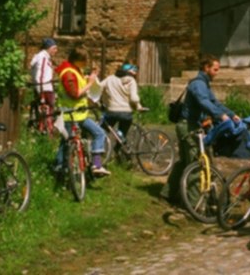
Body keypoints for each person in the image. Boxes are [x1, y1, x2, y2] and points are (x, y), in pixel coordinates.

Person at [161, 54, 239, 205]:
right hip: (187, 126)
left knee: (185, 162)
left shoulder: (204, 84)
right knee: (196, 164)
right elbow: (203, 102)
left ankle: (167, 193)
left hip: (192, 125)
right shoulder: (198, 84)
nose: (217, 72)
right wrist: (220, 116)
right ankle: (195, 204)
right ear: (206, 68)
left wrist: (231, 114)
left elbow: (214, 102)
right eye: (215, 69)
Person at [56, 48, 110, 176]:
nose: (86, 63)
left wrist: (89, 78)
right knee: (66, 145)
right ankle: (61, 169)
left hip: (81, 114)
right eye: (84, 61)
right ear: (77, 60)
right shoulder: (68, 73)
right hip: (70, 115)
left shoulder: (75, 69)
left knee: (99, 133)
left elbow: (78, 84)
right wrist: (90, 83)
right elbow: (75, 94)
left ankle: (96, 165)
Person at [98, 62, 143, 139]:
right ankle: (120, 144)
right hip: (126, 112)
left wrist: (98, 102)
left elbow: (98, 88)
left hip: (111, 111)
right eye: (134, 71)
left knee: (102, 130)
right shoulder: (131, 81)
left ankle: (99, 144)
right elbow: (134, 98)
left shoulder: (109, 78)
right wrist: (139, 105)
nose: (135, 74)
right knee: (123, 132)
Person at [30, 38, 58, 134]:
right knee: (49, 111)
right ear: (48, 48)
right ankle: (48, 132)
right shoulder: (43, 57)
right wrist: (41, 91)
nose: (56, 51)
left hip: (44, 88)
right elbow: (40, 75)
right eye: (54, 48)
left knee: (44, 112)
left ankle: (43, 130)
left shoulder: (42, 57)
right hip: (45, 88)